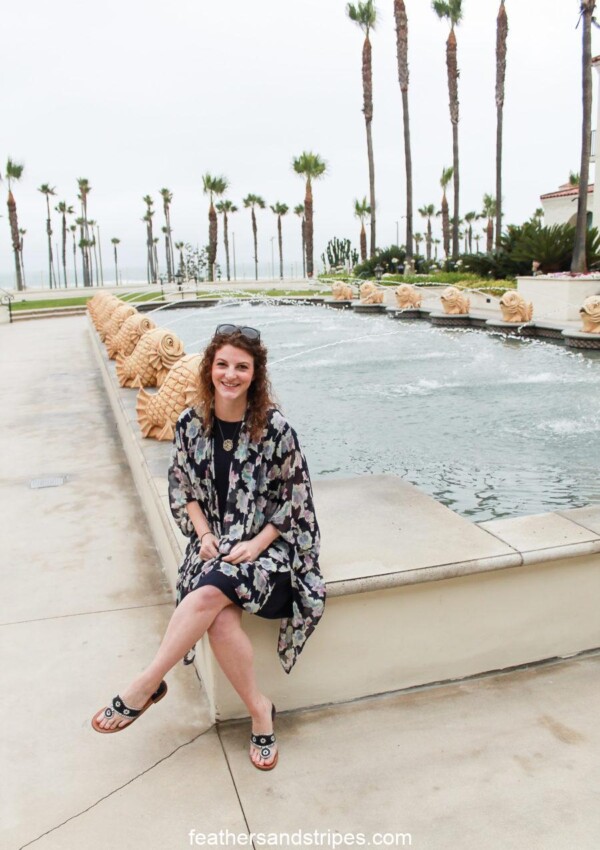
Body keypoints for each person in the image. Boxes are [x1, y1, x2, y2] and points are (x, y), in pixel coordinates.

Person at [92, 323, 326, 770]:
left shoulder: (275, 429)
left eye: (242, 367)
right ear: (209, 368)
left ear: (255, 375)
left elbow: (297, 502)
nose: (231, 374)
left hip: (270, 553)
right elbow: (182, 491)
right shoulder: (190, 423)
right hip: (213, 545)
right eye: (223, 364)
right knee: (218, 621)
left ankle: (146, 684)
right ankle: (260, 712)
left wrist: (256, 545)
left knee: (209, 592)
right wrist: (203, 536)